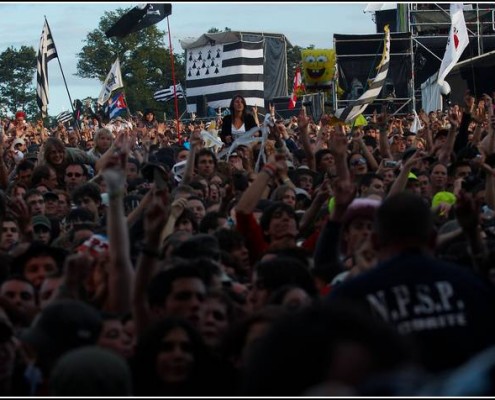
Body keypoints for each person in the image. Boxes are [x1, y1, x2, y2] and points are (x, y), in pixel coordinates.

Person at [327, 192, 495, 373]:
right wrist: (471, 232)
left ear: (375, 241)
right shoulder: (468, 284)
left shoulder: (350, 297)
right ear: (432, 239)